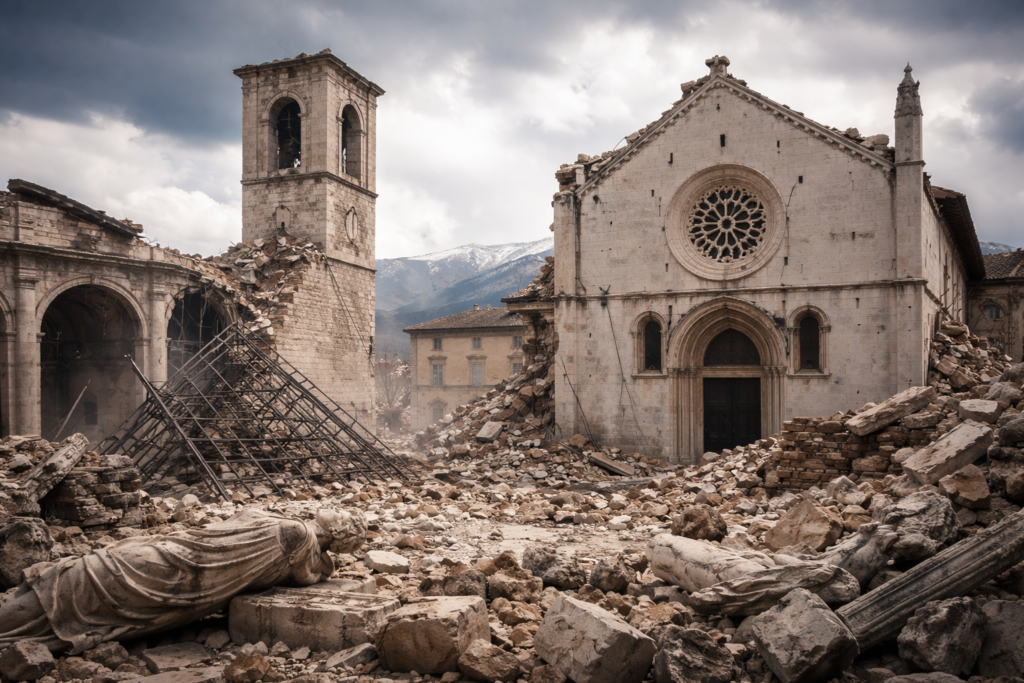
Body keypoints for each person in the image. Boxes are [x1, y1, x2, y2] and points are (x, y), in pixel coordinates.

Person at [0, 507, 365, 654]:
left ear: (339, 530)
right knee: (83, 586)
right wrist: (324, 565)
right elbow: (309, 575)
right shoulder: (302, 545)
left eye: (342, 513)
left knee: (83, 578)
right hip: (180, 569)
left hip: (174, 564)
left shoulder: (298, 533)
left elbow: (304, 570)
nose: (335, 508)